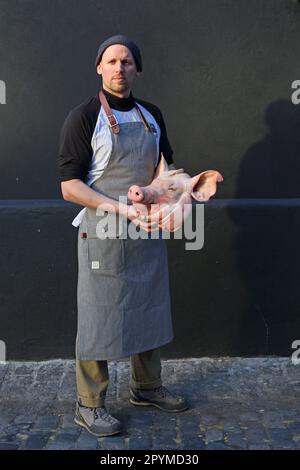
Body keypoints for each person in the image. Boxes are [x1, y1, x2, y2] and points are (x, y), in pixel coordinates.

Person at [58, 35, 189, 438]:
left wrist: (164, 198)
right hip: (103, 233)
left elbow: (164, 169)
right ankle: (90, 404)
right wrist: (119, 208)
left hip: (145, 231)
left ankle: (146, 388)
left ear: (137, 69)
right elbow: (69, 186)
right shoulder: (83, 118)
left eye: (127, 62)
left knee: (148, 305)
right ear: (99, 68)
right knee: (99, 315)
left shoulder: (151, 116)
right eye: (112, 61)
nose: (120, 68)